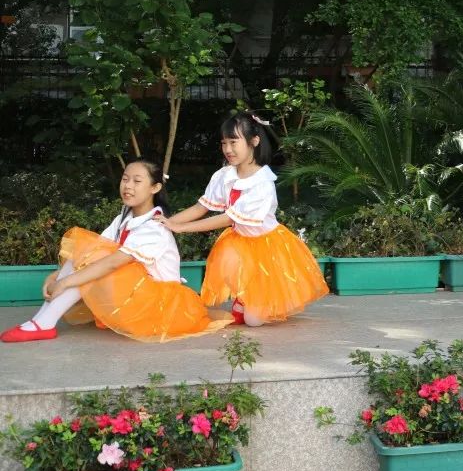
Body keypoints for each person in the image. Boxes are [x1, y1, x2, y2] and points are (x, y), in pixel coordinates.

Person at [1, 158, 232, 343]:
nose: (128, 186)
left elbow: (112, 262)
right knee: (90, 248)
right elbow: (89, 250)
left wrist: (64, 282)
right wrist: (55, 276)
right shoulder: (125, 215)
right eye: (125, 179)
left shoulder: (155, 226)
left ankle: (43, 323)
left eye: (137, 181)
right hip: (135, 292)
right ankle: (42, 322)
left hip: (158, 307)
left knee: (100, 262)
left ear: (155, 187)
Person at [162, 111, 328, 326]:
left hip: (267, 246)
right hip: (238, 242)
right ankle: (245, 296)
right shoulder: (224, 175)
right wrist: (168, 222)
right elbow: (201, 206)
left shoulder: (263, 183)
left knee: (253, 321)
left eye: (233, 142)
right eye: (224, 143)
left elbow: (228, 218)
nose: (228, 149)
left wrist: (181, 228)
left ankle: (254, 300)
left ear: (254, 142)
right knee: (227, 260)